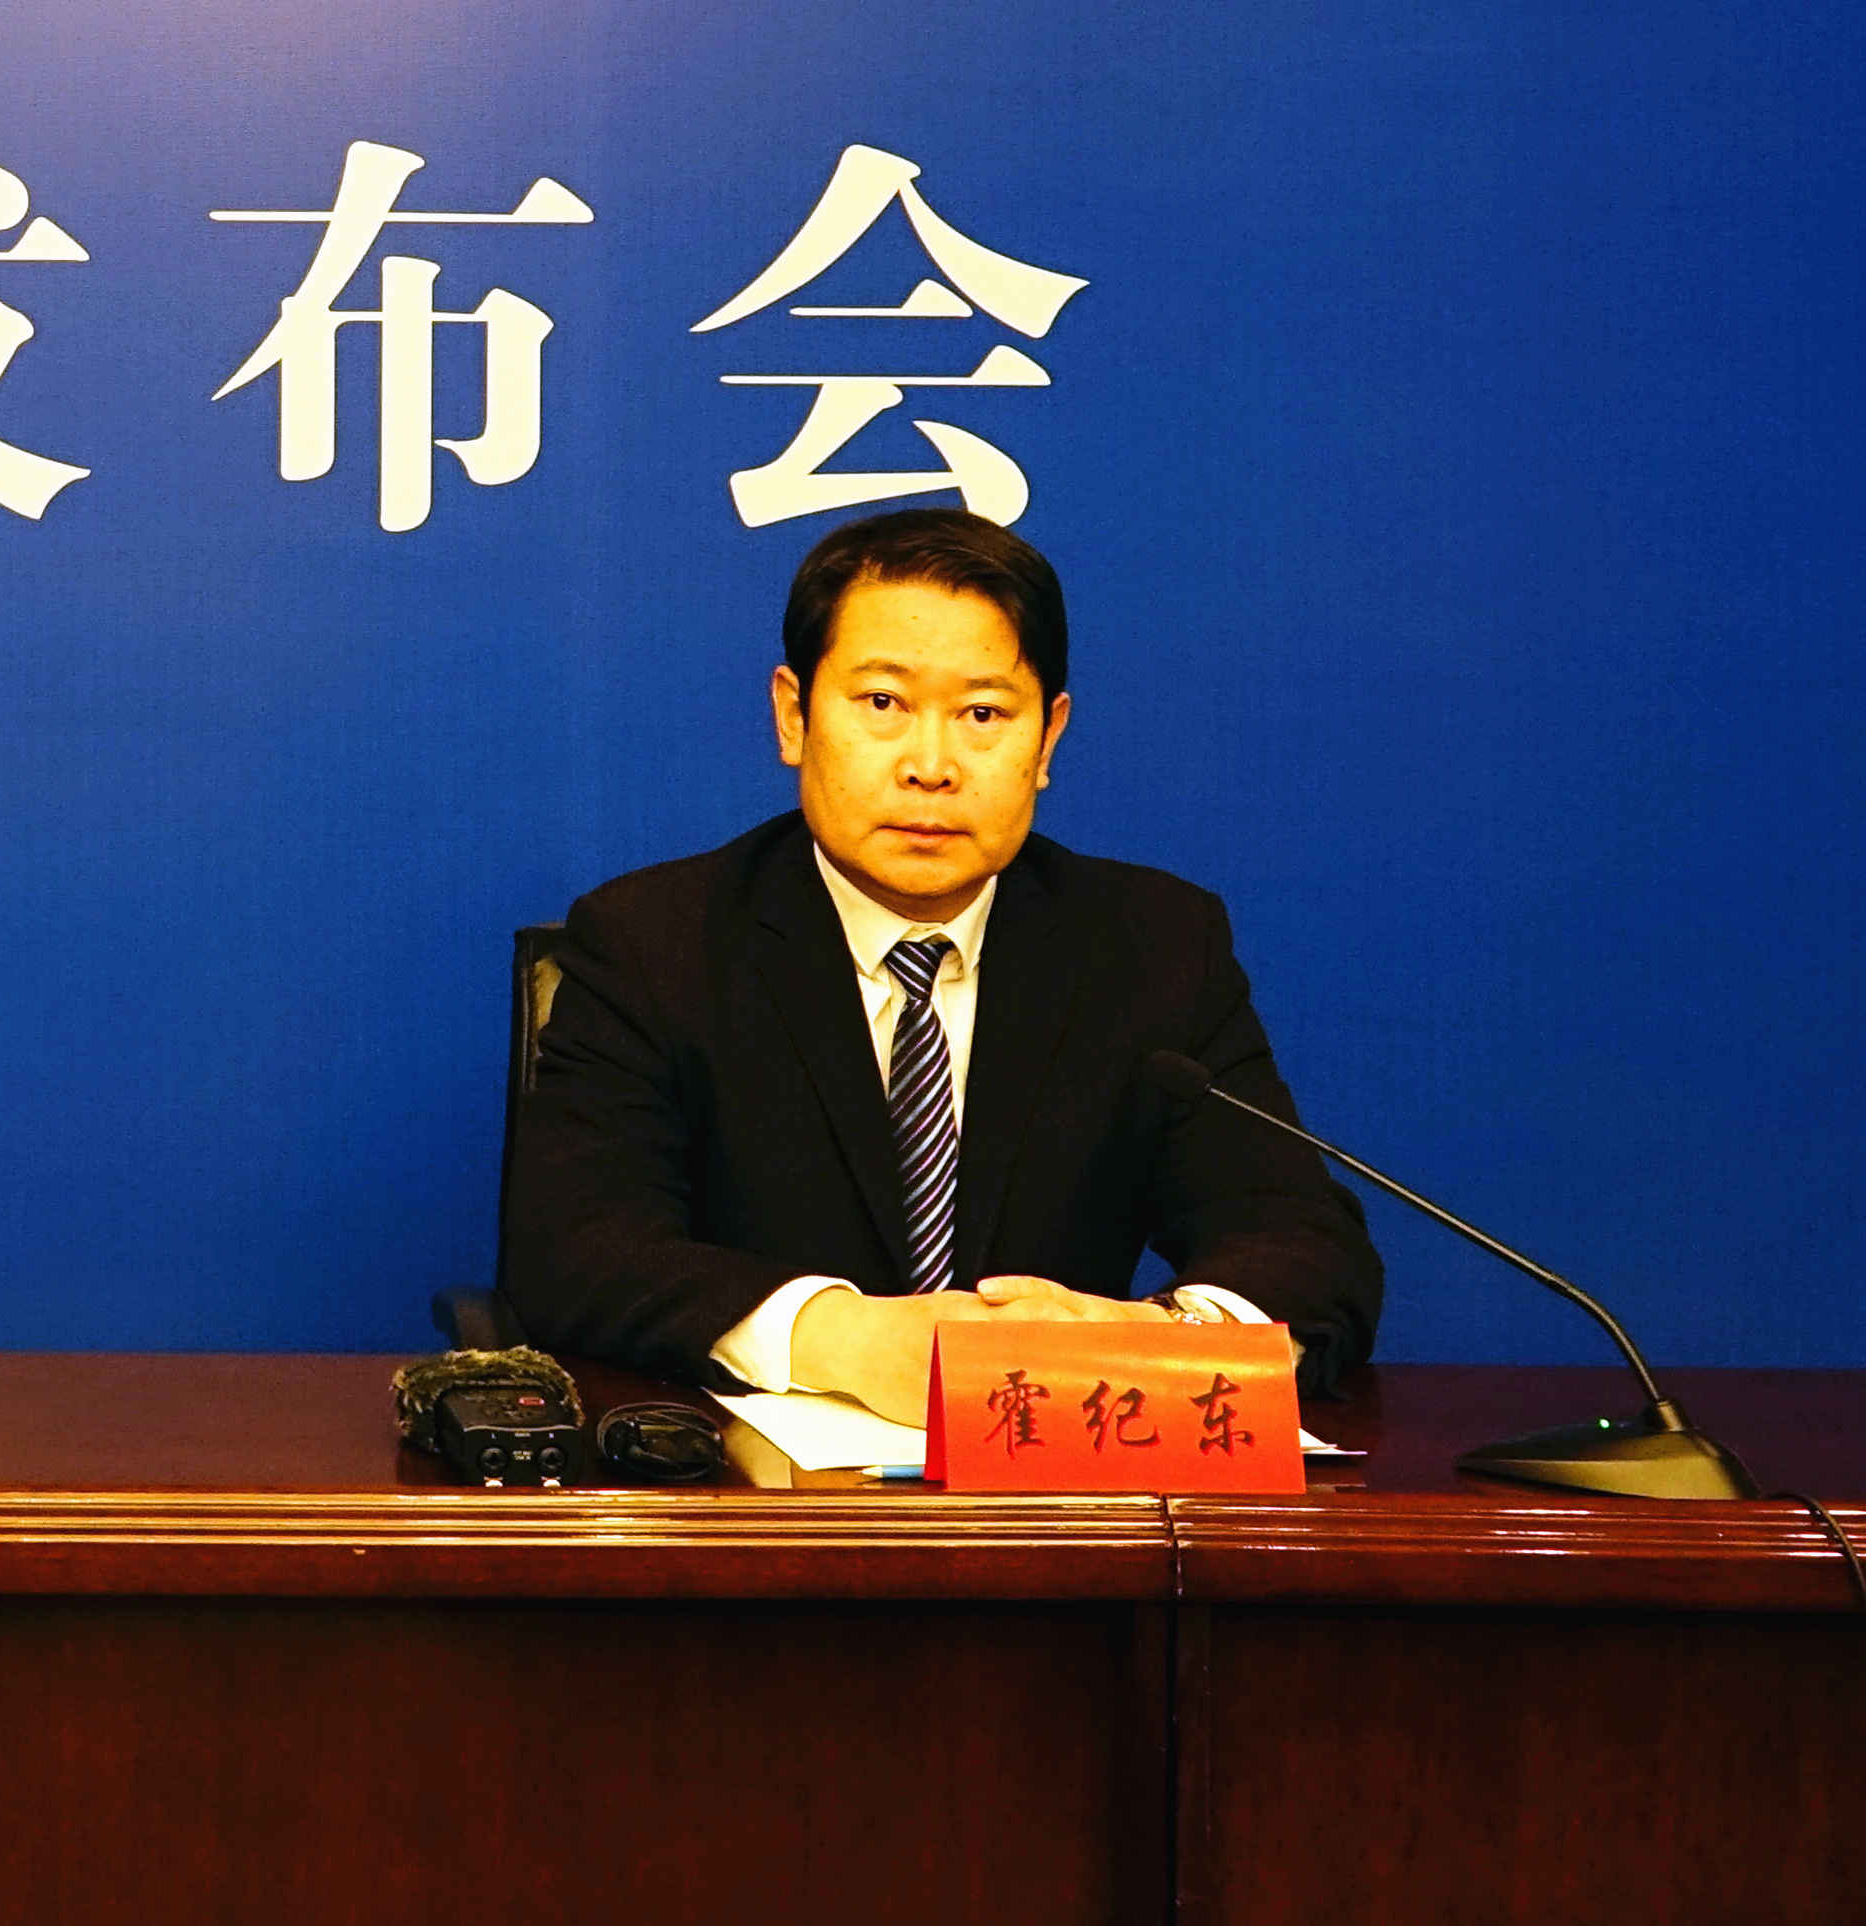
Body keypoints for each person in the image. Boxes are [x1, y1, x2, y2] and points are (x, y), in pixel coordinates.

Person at [501, 509, 1379, 1417]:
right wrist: (842, 1337)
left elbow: (1305, 1244)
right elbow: (573, 1250)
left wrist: (1154, 1340)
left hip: (1057, 1472)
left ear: (1047, 740)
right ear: (793, 716)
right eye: (882, 704)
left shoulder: (1151, 944)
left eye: (982, 714)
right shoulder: (654, 942)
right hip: (745, 1481)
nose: (931, 765)